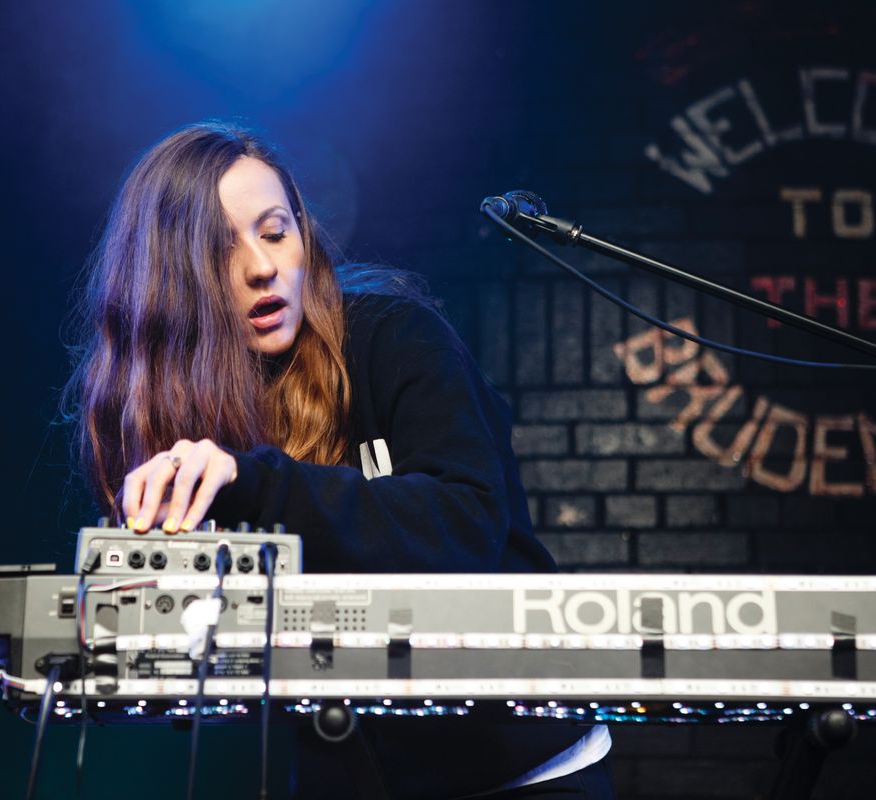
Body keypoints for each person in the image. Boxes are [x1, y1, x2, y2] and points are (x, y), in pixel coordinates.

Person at [64, 122, 612, 799]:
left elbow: (463, 523)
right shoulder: (163, 409)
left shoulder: (395, 336)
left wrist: (255, 482)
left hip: (520, 772)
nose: (262, 267)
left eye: (275, 231)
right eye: (219, 248)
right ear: (170, 278)